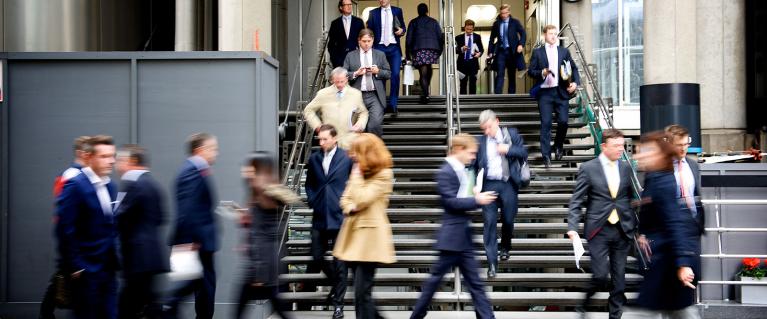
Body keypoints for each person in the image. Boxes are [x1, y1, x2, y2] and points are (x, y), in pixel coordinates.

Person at [410, 134, 497, 319]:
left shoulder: (462, 170)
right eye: (471, 153)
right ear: (458, 149)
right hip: (451, 238)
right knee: (434, 282)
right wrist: (476, 200)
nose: (473, 157)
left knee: (476, 284)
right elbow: (450, 202)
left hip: (463, 236)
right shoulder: (445, 171)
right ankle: (416, 316)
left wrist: (472, 195)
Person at [566, 129, 636, 319]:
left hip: (622, 229)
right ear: (604, 146)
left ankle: (615, 316)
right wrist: (572, 227)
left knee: (619, 282)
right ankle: (585, 302)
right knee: (600, 276)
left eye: (622, 145)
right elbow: (576, 200)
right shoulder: (588, 168)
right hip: (599, 229)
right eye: (616, 146)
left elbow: (628, 197)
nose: (621, 149)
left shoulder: (626, 167)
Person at [633, 131, 702, 319]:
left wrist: (683, 263)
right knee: (675, 311)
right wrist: (643, 234)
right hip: (662, 260)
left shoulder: (662, 181)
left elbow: (675, 222)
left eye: (645, 151)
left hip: (669, 262)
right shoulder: (654, 178)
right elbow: (655, 217)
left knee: (677, 311)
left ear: (659, 155)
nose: (639, 155)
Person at [332, 133, 396, 319]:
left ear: (366, 152)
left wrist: (356, 178)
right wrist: (351, 207)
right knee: (362, 293)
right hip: (352, 236)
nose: (352, 155)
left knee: (362, 293)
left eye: (356, 151)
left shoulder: (384, 174)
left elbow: (362, 198)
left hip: (370, 240)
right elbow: (345, 199)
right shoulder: (358, 172)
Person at [55, 135, 118, 319]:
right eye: (104, 156)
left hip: (108, 269)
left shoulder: (111, 186)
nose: (111, 161)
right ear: (89, 157)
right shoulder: (75, 186)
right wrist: (75, 266)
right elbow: (65, 228)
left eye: (112, 156)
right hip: (86, 272)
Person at [236, 151, 300, 319]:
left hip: (262, 265)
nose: (245, 170)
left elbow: (264, 235)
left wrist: (259, 273)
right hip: (262, 263)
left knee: (241, 309)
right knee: (277, 308)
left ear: (260, 169)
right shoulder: (257, 194)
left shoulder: (267, 194)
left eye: (250, 167)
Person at [166, 133, 219, 319]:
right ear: (199, 150)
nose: (216, 153)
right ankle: (165, 308)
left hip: (201, 241)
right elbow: (187, 209)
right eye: (212, 148)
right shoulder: (191, 172)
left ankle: (169, 306)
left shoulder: (197, 170)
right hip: (197, 243)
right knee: (197, 286)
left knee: (201, 287)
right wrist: (190, 240)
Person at [115, 144, 169, 319]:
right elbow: (162, 218)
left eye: (120, 160)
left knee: (127, 306)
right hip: (152, 256)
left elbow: (119, 218)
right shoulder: (154, 185)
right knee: (147, 303)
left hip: (137, 257)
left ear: (133, 161)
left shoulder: (132, 183)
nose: (116, 165)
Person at [305, 124, 353, 319]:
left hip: (340, 217)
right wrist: (312, 200)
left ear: (334, 138)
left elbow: (353, 182)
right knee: (317, 256)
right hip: (319, 215)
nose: (321, 142)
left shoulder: (346, 158)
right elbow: (310, 184)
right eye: (319, 139)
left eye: (325, 139)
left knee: (340, 264)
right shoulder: (314, 158)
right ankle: (336, 286)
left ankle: (338, 306)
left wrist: (348, 204)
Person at [40, 135, 90, 319]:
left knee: (65, 281)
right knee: (66, 281)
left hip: (78, 241)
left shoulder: (79, 175)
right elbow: (63, 216)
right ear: (82, 153)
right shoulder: (72, 176)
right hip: (76, 240)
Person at [473, 110, 527, 278]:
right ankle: (492, 263)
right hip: (489, 184)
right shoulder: (480, 142)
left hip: (508, 183)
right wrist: (473, 187)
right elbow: (473, 166)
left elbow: (523, 153)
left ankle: (505, 247)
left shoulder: (511, 134)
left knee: (508, 219)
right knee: (489, 222)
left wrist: (508, 149)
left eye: (489, 127)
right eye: (484, 129)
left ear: (497, 121)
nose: (487, 132)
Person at [528, 24, 580, 168]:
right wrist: (541, 73)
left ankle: (558, 145)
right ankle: (546, 156)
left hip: (560, 92)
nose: (553, 36)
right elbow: (531, 71)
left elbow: (573, 68)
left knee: (563, 122)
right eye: (550, 33)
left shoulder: (564, 52)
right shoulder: (537, 53)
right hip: (545, 93)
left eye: (555, 34)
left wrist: (575, 83)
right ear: (544, 35)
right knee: (546, 124)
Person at [304, 67, 369, 149]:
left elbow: (363, 113)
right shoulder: (323, 93)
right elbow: (308, 110)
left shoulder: (356, 94)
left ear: (347, 79)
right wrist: (317, 126)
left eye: (342, 81)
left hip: (349, 141)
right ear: (332, 80)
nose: (340, 85)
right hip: (329, 141)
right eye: (337, 81)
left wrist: (360, 125)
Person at [344, 29, 391, 137]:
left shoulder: (380, 55)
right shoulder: (350, 56)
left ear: (373, 40)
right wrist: (356, 73)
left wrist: (378, 71)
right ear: (359, 41)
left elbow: (388, 73)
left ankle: (374, 150)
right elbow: (344, 74)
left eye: (369, 41)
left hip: (375, 95)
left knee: (374, 124)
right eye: (364, 41)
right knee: (358, 126)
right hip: (357, 95)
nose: (366, 44)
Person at [365, 0, 406, 114]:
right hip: (379, 47)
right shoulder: (373, 13)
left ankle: (393, 104)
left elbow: (403, 27)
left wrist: (402, 31)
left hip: (394, 48)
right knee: (379, 76)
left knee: (396, 74)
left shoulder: (397, 11)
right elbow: (369, 31)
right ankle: (382, 104)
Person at [664, 124, 705, 229]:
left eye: (686, 144)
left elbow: (696, 193)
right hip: (671, 226)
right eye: (679, 145)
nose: (683, 148)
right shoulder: (661, 168)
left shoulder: (693, 165)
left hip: (693, 224)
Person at [405, 3, 443, 104]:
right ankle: (426, 91)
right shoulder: (434, 22)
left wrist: (408, 54)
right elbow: (440, 37)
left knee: (423, 72)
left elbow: (408, 39)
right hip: (432, 49)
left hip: (419, 49)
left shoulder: (413, 22)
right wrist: (440, 50)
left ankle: (425, 94)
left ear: (418, 11)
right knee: (428, 68)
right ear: (427, 11)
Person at [487, 4, 526, 94]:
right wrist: (490, 51)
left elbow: (523, 34)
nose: (503, 15)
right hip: (501, 51)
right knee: (500, 73)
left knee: (511, 74)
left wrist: (521, 45)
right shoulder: (496, 24)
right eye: (502, 13)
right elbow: (492, 38)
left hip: (512, 51)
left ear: (509, 12)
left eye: (505, 13)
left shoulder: (515, 22)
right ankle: (498, 94)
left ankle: (511, 95)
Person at [328, 0, 365, 68]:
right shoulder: (335, 23)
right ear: (341, 7)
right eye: (346, 4)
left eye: (350, 4)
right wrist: (335, 60)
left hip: (356, 58)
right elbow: (331, 45)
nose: (349, 6)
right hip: (340, 60)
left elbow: (363, 40)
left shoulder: (359, 22)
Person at [455, 19, 484, 95]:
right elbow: (455, 50)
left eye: (470, 29)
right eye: (467, 29)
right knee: (463, 83)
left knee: (473, 83)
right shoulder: (458, 37)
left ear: (473, 28)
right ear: (464, 27)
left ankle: (473, 102)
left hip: (473, 63)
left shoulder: (477, 37)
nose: (469, 31)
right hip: (462, 63)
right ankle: (462, 102)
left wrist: (479, 54)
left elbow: (481, 49)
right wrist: (461, 49)